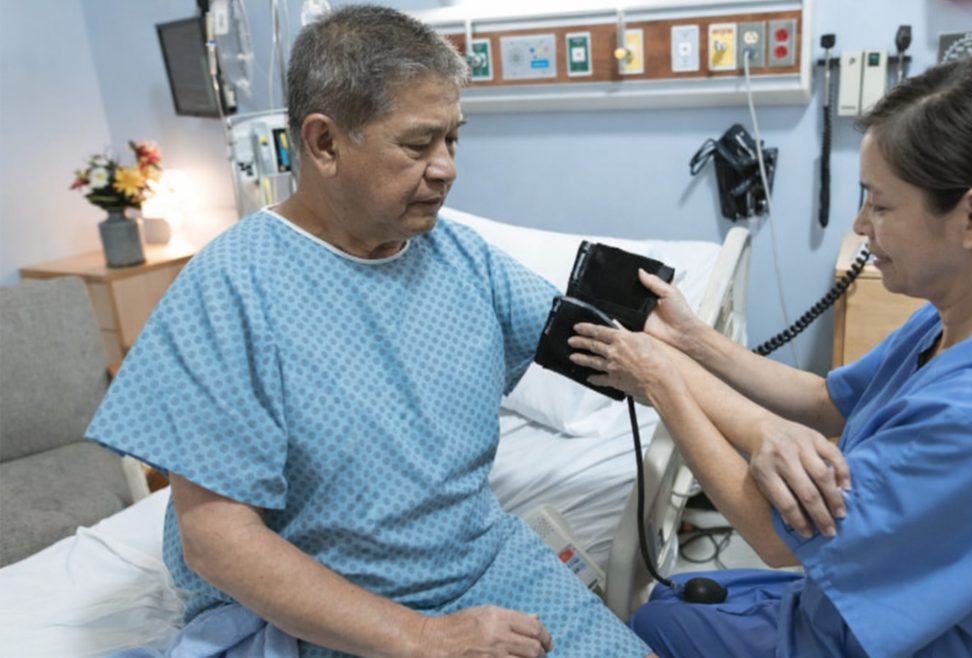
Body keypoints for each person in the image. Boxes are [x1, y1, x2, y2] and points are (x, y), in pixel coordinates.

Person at [87, 6, 652, 657]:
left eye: (453, 140)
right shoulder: (233, 287)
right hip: (320, 610)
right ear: (325, 143)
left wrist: (740, 401)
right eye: (418, 144)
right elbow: (216, 542)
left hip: (480, 565)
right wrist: (421, 637)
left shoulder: (460, 256)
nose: (446, 168)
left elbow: (607, 346)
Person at [569, 53, 972, 657]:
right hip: (882, 611)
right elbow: (823, 401)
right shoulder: (955, 321)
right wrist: (693, 341)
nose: (861, 223)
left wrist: (660, 383)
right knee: (671, 605)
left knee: (651, 628)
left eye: (882, 205)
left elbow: (776, 537)